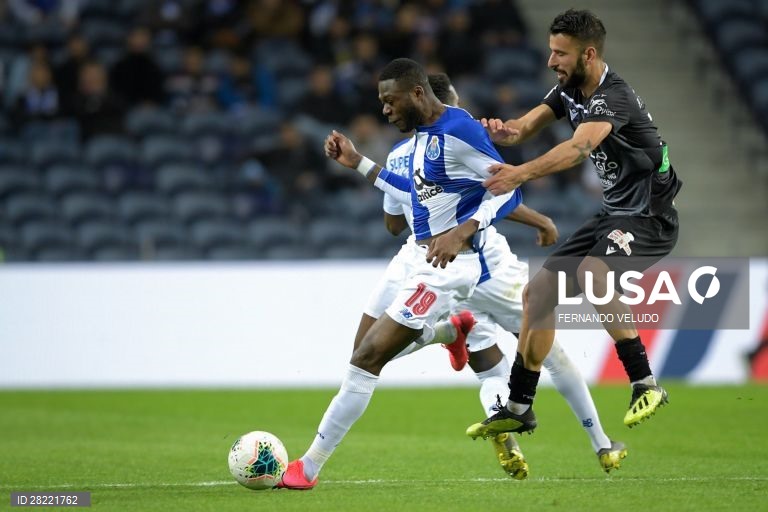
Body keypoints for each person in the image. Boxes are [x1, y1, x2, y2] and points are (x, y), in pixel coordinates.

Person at [364, 71, 627, 478]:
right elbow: (502, 187)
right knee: (550, 355)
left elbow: (393, 224)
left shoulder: (403, 152)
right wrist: (536, 219)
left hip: (428, 265)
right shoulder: (457, 131)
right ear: (439, 101)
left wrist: (371, 172)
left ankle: (453, 342)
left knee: (482, 369)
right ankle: (602, 444)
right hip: (485, 268)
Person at [278, 58, 524, 490]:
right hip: (416, 259)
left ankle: (308, 467)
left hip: (448, 267)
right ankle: (451, 331)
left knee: (366, 359)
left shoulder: (460, 129)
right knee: (363, 355)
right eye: (381, 102)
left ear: (415, 93)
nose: (385, 110)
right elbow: (412, 194)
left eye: (389, 101)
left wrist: (464, 229)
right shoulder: (419, 141)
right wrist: (357, 162)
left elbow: (511, 186)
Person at [458, 9, 682, 440]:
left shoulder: (612, 97)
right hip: (615, 214)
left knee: (593, 272)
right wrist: (503, 133)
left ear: (589, 54)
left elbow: (580, 148)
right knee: (537, 293)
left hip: (649, 218)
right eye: (550, 51)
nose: (550, 61)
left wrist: (519, 173)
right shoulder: (569, 89)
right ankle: (520, 405)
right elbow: (523, 127)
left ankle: (646, 383)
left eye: (560, 53)